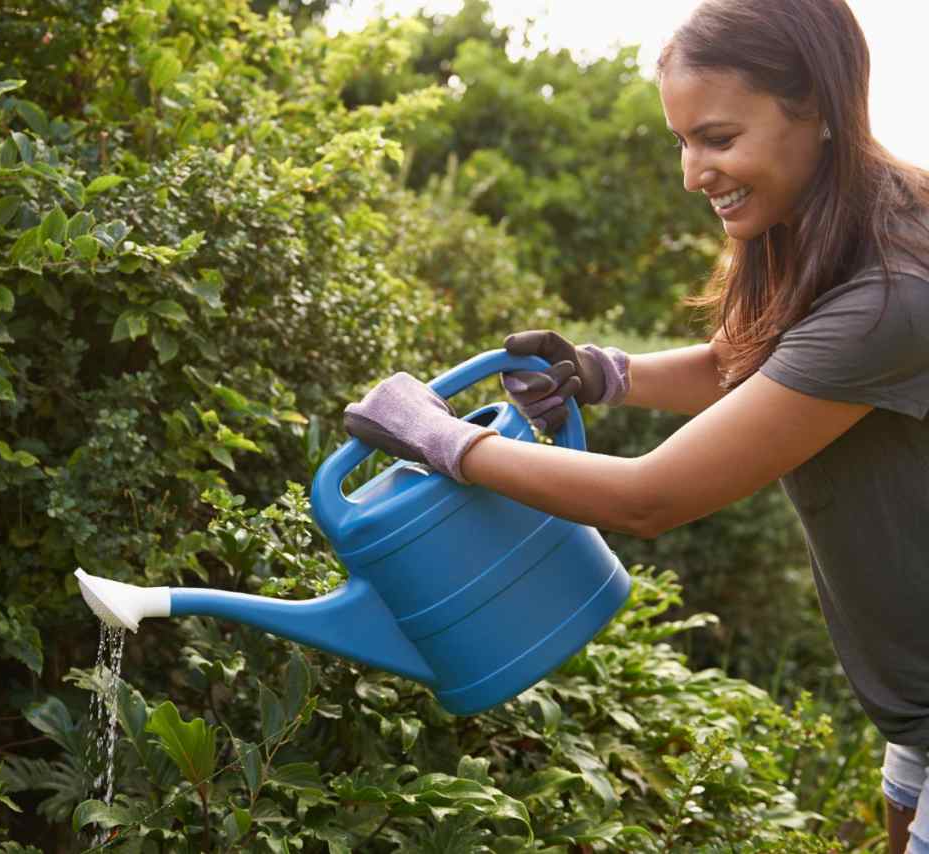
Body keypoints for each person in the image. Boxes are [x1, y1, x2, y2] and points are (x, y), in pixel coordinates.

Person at [341, 0, 929, 850]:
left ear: (820, 111)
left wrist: (445, 442)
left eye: (719, 139)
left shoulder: (894, 291)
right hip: (913, 716)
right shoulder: (818, 233)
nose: (693, 173)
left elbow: (650, 497)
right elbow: (740, 368)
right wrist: (603, 373)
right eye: (681, 141)